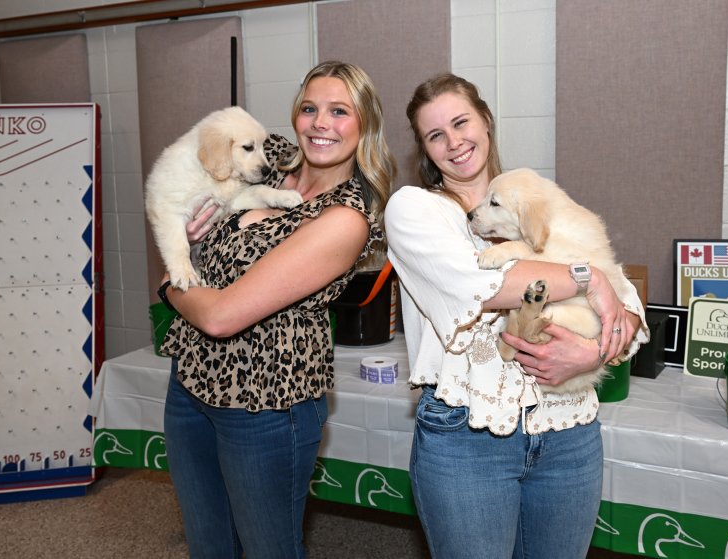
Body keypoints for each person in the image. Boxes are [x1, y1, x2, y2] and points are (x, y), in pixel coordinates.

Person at [385, 73, 649, 559]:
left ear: (486, 121)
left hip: (569, 433)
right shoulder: (416, 210)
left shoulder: (536, 197)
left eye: (461, 122)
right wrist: (588, 276)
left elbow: (627, 303)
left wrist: (590, 352)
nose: (454, 142)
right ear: (424, 149)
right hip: (468, 437)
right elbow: (484, 287)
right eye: (435, 135)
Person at [157, 60, 395, 559]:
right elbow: (176, 194)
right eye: (309, 108)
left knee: (268, 548)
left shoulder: (345, 218)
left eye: (339, 111)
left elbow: (221, 316)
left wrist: (171, 285)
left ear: (364, 123)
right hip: (191, 380)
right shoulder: (270, 158)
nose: (320, 123)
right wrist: (188, 245)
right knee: (208, 544)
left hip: (264, 401)